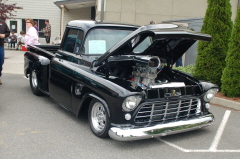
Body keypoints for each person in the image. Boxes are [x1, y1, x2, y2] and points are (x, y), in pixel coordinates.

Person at [0, 19, 10, 85]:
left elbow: (8, 32)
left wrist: (4, 35)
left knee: (1, 61)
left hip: (0, 45)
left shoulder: (3, 23)